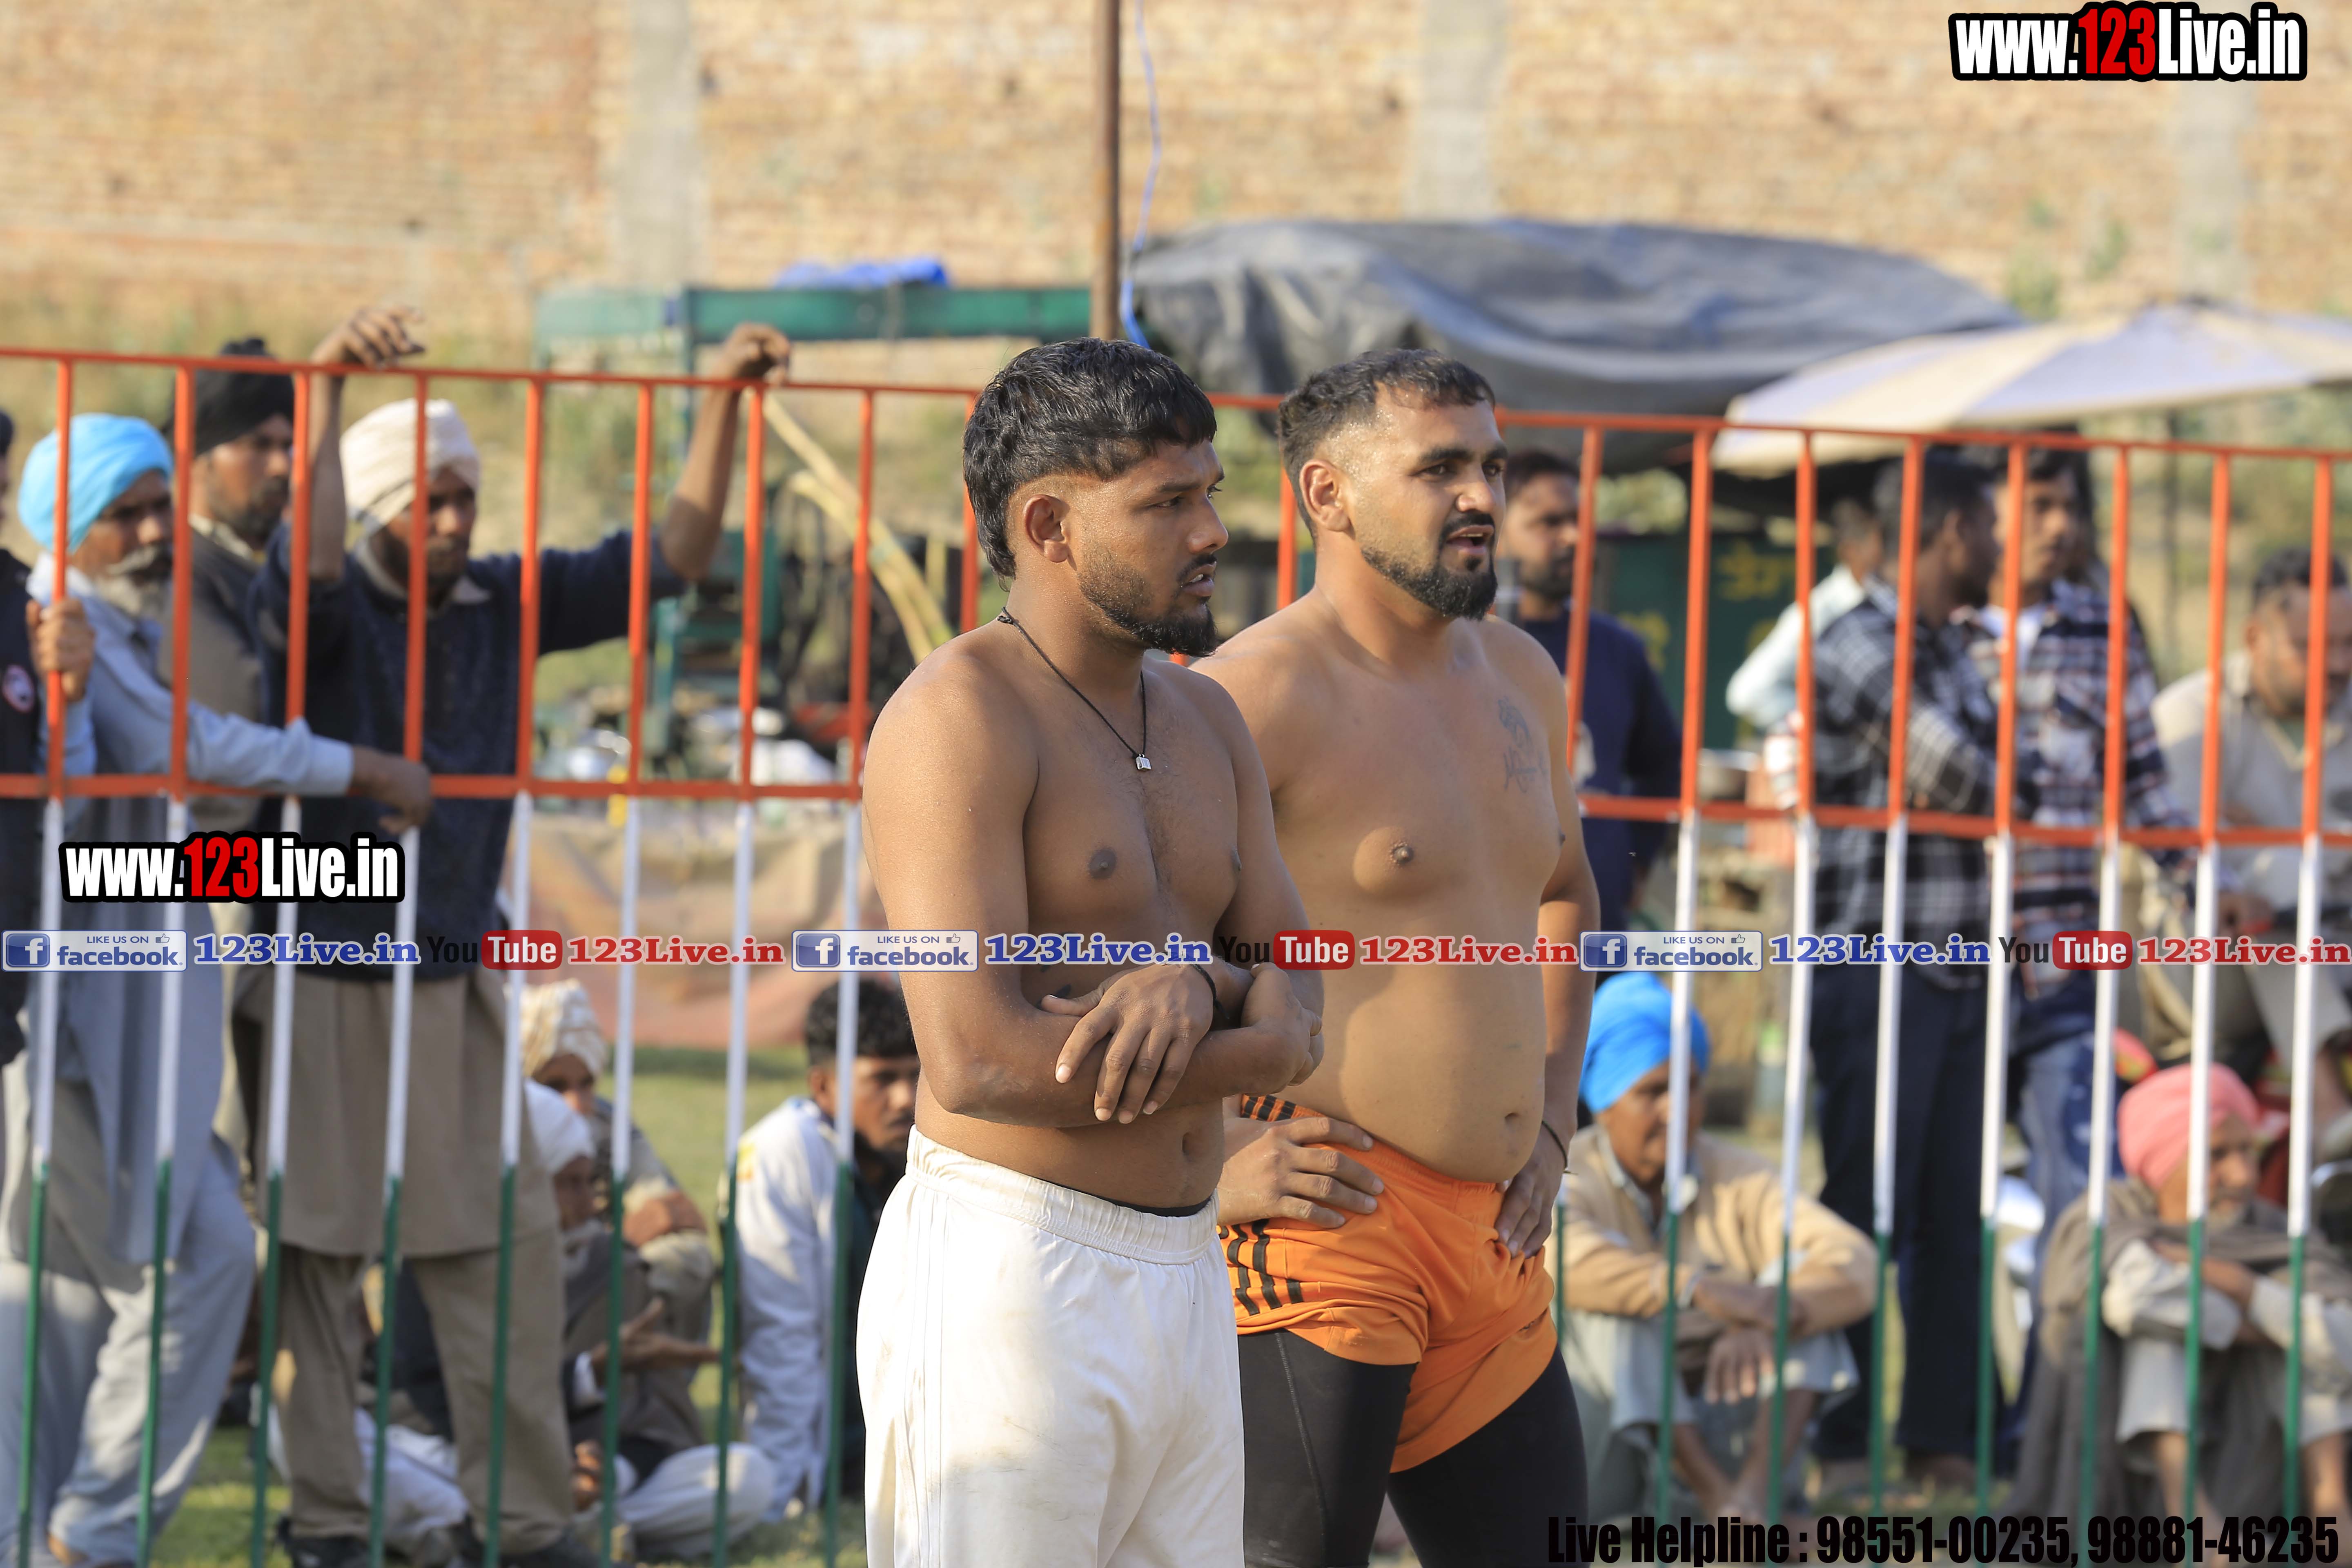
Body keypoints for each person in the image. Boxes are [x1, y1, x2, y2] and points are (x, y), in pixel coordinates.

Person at [243, 320, 791, 1568]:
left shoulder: (504, 599)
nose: (452, 521)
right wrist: (326, 390)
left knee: (498, 1249)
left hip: (457, 969)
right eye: (427, 501)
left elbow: (671, 557)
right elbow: (307, 565)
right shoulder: (328, 604)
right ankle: (329, 1519)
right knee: (318, 1252)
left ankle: (533, 1525)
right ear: (375, 505)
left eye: (466, 497)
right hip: (325, 965)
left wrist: (720, 400)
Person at [855, 337, 1323, 1568]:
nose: (1212, 530)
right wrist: (1245, 1021)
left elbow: (1300, 1004)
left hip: (1189, 1263)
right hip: (1016, 1268)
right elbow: (978, 1061)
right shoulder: (957, 716)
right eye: (1167, 502)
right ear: (1048, 524)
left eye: (1209, 492)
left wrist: (1200, 983)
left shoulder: (1207, 712)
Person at [0, 414, 429, 1568]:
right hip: (66, 1016)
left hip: (136, 1001)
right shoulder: (58, 614)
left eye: (159, 505)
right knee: (113, 1279)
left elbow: (157, 802)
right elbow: (169, 755)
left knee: (148, 1272)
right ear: (60, 526)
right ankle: (76, 1535)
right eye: (125, 513)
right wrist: (360, 768)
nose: (154, 532)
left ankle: (74, 1535)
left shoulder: (109, 624)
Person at [1200, 347, 1601, 1566]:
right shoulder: (1249, 694)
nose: (1480, 495)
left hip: (1497, 1234)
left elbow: (1565, 893)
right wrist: (1207, 1159)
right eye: (1438, 469)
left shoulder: (1523, 672)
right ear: (1326, 493)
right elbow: (1124, 954)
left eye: (1490, 463)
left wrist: (1550, 1117)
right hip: (1330, 1223)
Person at [1976, 448, 2262, 1270]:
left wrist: (2209, 886)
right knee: (1935, 1195)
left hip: (2064, 958)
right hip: (1947, 960)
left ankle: (2064, 1357)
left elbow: (2145, 789)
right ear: (1980, 513)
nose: (2060, 526)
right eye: (2038, 505)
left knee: (2085, 1201)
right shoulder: (1931, 629)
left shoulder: (2103, 629)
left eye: (2070, 507)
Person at [1806, 450, 2006, 1498]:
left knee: (1952, 1213)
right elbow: (1967, 776)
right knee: (1861, 1203)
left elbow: (2000, 770)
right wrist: (2021, 768)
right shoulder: (1856, 641)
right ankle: (1840, 1439)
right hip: (1873, 964)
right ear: (1948, 531)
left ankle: (1940, 1437)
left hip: (1961, 964)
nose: (2000, 547)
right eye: (1989, 527)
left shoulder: (1954, 648)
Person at [1562, 973, 1871, 1521]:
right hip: (1608, 1447)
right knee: (1621, 1309)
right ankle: (1717, 1502)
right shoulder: (1569, 1172)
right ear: (1603, 1101)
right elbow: (1559, 1259)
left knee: (1802, 1295)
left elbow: (1856, 1263)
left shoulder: (1737, 1174)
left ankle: (1746, 1503)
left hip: (1724, 1416)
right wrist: (1698, 1290)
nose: (1677, 1110)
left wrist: (1765, 1316)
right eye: (1653, 1092)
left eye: (1691, 1086)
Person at [2011, 1063, 2352, 1523]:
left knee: (2306, 1338)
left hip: (2251, 1465)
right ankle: (2191, 1518)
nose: (2242, 1175)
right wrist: (2266, 1325)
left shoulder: (2272, 1230)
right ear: (2164, 1162)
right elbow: (2132, 1300)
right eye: (2216, 1155)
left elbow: (2344, 1341)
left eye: (2249, 1150)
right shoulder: (2112, 1214)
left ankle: (2332, 1515)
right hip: (2133, 1483)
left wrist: (2241, 1285)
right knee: (2166, 1333)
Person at [2150, 546, 2352, 1173]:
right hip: (2203, 966)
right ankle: (2327, 1113)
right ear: (2254, 638)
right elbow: (2179, 857)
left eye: (2349, 645)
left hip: (2336, 944)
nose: (2338, 665)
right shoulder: (2188, 718)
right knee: (2283, 880)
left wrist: (2259, 834)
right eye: (2311, 646)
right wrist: (2293, 851)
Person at [734, 978, 919, 1518]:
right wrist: (784, 1489)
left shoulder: (930, 1147)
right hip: (832, 1437)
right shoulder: (781, 1153)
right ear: (824, 1086)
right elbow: (781, 1334)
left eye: (916, 1076)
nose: (906, 1099)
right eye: (882, 1079)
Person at [1494, 446, 1679, 931]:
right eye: (1549, 523)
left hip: (1594, 921)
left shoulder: (1617, 648)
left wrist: (1636, 858)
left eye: (1579, 520)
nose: (1574, 537)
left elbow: (1664, 762)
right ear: (1495, 531)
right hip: (1487, 921)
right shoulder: (1460, 643)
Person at [158, 335, 302, 830]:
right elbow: (248, 706)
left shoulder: (272, 563)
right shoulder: (177, 567)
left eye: (287, 445)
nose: (282, 465)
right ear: (198, 459)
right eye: (258, 445)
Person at [521, 980, 713, 1323]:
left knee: (686, 1260)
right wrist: (620, 1243)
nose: (576, 1105)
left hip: (602, 1295)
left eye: (587, 1083)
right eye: (555, 1086)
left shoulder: (607, 1126)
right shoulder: (497, 1137)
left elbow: (676, 1214)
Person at [1725, 497, 1884, 738]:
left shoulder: (1887, 603)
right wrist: (1831, 721)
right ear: (1849, 551)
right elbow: (1747, 692)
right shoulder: (1822, 611)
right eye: (1882, 544)